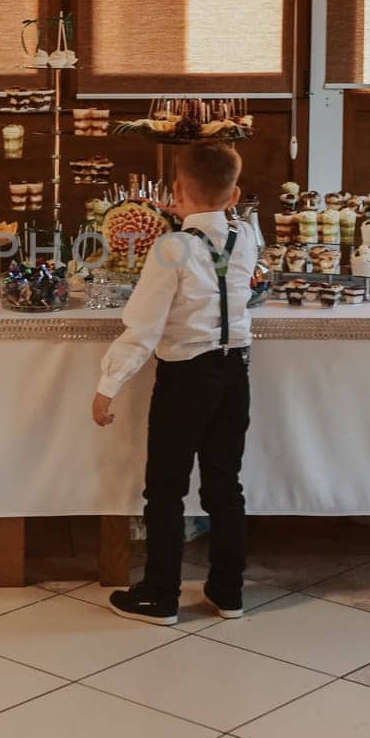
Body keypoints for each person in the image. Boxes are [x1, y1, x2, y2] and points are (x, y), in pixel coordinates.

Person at [91, 142, 258, 625]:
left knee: (165, 487)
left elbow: (143, 325)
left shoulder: (173, 247)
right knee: (225, 484)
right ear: (235, 195)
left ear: (175, 192)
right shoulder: (245, 238)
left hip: (187, 377)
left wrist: (109, 383)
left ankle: (160, 594)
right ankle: (228, 591)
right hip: (235, 373)